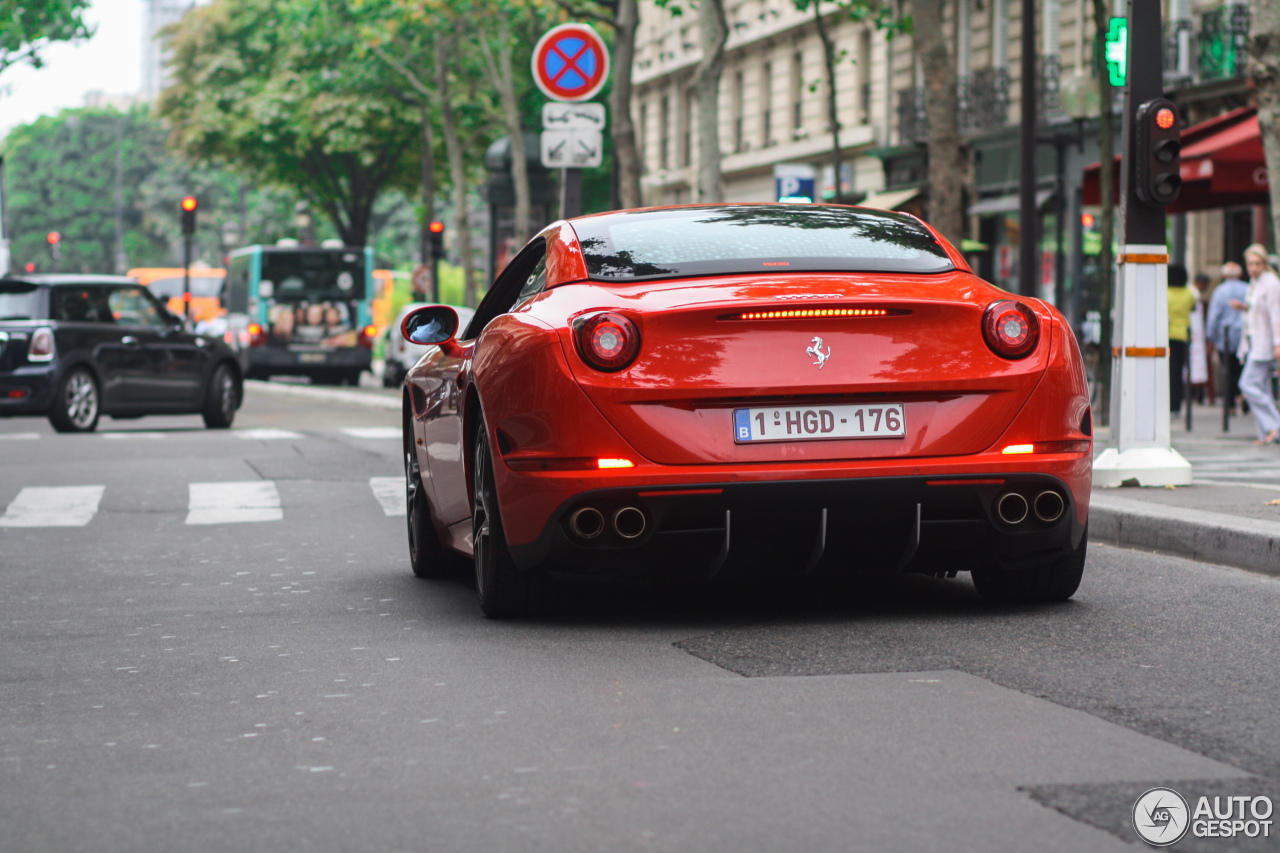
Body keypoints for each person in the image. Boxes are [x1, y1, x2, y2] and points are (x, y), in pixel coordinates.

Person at [1232, 245, 1280, 444]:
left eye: (1257, 264)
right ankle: (1266, 433)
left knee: (1247, 384)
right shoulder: (1255, 282)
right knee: (1262, 387)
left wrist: (1278, 343)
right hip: (1253, 342)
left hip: (1264, 345)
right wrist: (1244, 307)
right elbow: (1256, 310)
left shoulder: (1271, 283)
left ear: (1264, 264)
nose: (1253, 268)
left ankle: (1274, 426)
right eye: (1250, 264)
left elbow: (1275, 315)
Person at [1207, 262, 1248, 413]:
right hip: (1243, 336)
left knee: (1228, 370)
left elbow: (1213, 316)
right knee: (1242, 369)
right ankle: (1244, 396)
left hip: (1226, 337)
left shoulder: (1220, 291)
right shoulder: (1247, 288)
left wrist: (1210, 336)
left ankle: (1230, 404)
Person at [1166, 264, 1197, 414]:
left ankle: (1169, 405)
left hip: (1168, 336)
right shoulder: (1189, 294)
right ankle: (1177, 406)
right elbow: (1193, 307)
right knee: (1179, 372)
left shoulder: (1166, 293)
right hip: (1184, 335)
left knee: (1168, 372)